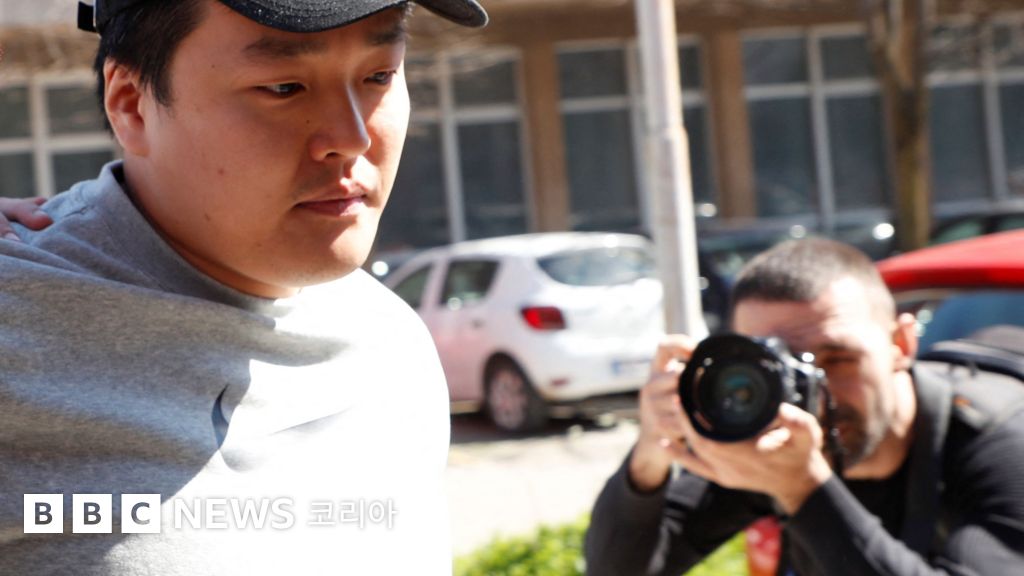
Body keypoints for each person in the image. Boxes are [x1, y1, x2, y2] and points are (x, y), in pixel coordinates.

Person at [0, 0, 486, 574]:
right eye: (284, 87)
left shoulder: (392, 343)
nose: (351, 137)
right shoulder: (17, 335)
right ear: (131, 103)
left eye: (379, 75)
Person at [585, 238, 1024, 575]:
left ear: (901, 344)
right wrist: (650, 456)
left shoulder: (1001, 444)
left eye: (837, 359)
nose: (811, 393)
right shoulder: (776, 444)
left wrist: (804, 490)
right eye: (777, 369)